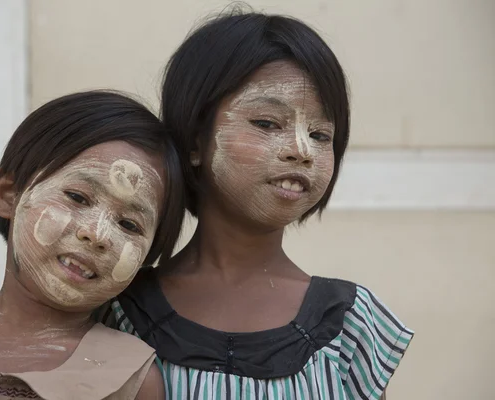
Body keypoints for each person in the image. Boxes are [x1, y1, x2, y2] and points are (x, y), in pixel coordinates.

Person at [98, 10, 414, 400]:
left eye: (319, 134)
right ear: (196, 141)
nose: (301, 151)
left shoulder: (351, 324)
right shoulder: (114, 313)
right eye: (267, 123)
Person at [0, 91, 183, 400]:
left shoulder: (132, 379)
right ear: (9, 195)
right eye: (77, 197)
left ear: (146, 256)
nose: (97, 234)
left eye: (128, 225)